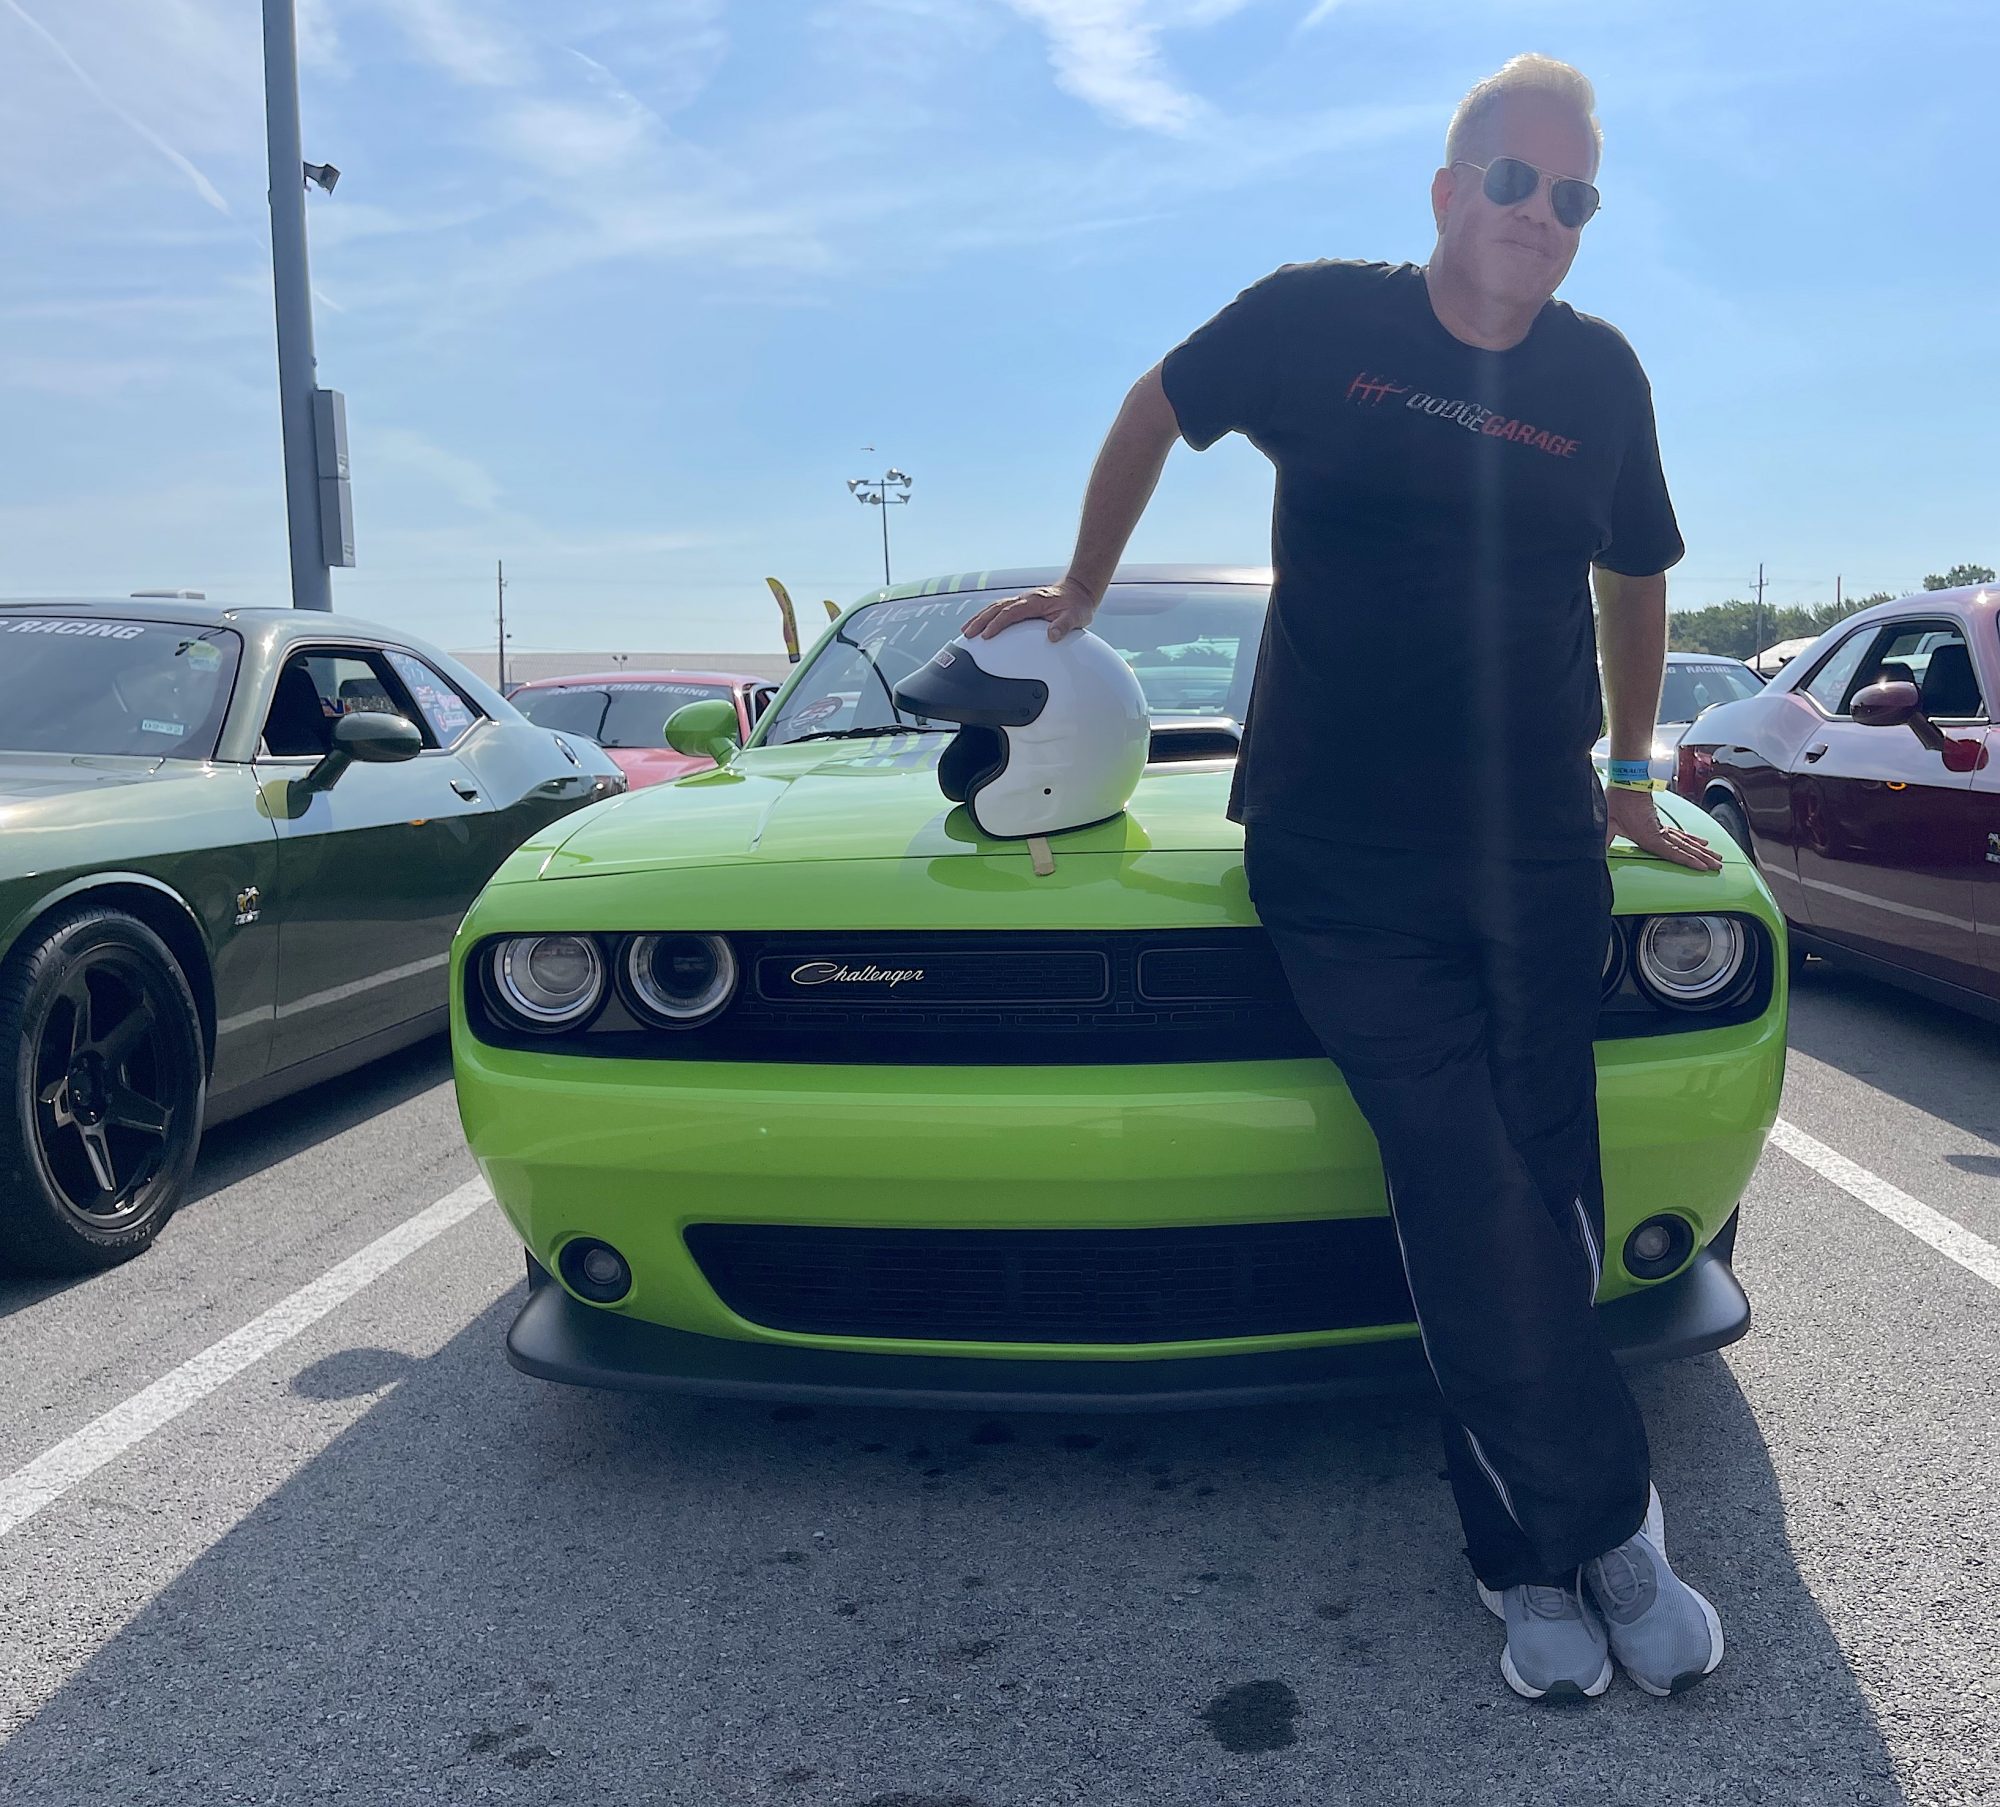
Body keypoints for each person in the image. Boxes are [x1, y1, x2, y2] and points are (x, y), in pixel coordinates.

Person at [964, 54, 1728, 1702]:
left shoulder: (1603, 377)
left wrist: (1625, 771)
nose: (1541, 217)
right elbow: (1152, 405)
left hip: (1532, 836)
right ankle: (1608, 1528)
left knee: (1547, 1181)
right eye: (1514, 182)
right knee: (1458, 1169)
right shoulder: (1319, 321)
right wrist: (1084, 590)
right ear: (1450, 189)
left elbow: (1640, 574)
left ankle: (1525, 1560)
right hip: (1336, 845)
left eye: (1574, 197)